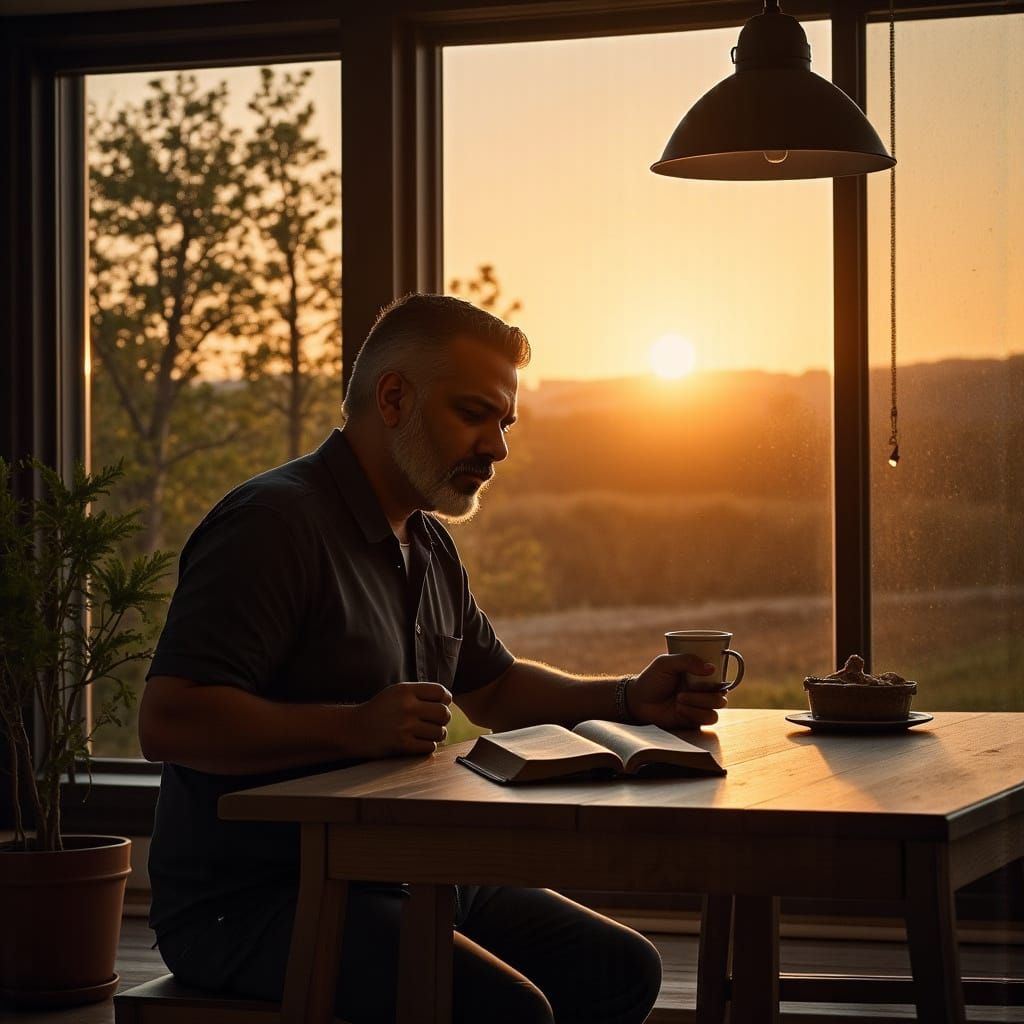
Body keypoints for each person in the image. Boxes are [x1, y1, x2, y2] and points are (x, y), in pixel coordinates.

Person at [139, 293, 727, 1024]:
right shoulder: (271, 525)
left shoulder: (429, 542)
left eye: (505, 424)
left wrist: (628, 698)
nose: (497, 447)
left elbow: (495, 688)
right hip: (256, 901)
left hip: (410, 868)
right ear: (393, 399)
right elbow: (168, 720)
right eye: (475, 415)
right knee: (509, 1013)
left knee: (621, 971)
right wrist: (352, 727)